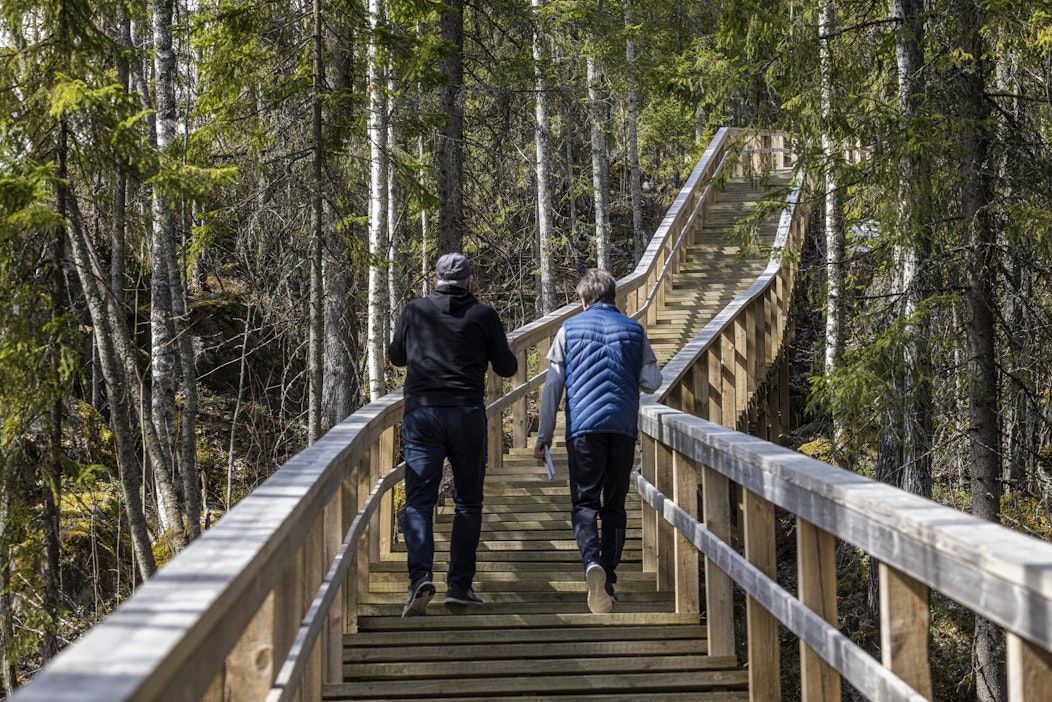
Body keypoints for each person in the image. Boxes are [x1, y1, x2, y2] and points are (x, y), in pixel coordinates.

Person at [389, 252, 518, 617]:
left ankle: (419, 579)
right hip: (466, 414)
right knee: (467, 502)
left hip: (422, 413)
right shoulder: (483, 315)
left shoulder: (414, 311)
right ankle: (459, 586)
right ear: (469, 282)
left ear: (435, 280)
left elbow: (396, 356)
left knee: (419, 501)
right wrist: (506, 350)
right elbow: (506, 368)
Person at [533, 268, 662, 614]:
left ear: (583, 300)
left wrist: (544, 436)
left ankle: (592, 561)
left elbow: (553, 388)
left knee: (585, 503)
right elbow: (652, 381)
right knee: (615, 505)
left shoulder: (568, 329)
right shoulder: (634, 330)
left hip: (583, 430)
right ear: (613, 297)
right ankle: (610, 578)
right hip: (622, 429)